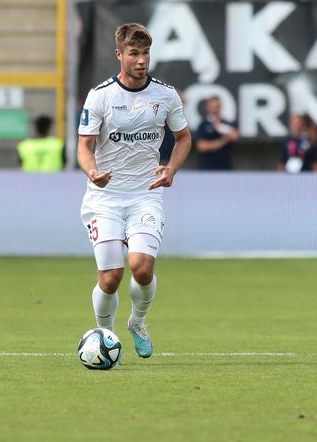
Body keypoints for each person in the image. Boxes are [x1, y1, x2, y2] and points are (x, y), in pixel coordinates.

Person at [77, 23, 191, 359]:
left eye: (145, 54)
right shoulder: (101, 96)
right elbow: (84, 145)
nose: (141, 61)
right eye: (134, 54)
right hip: (105, 199)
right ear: (119, 55)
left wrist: (171, 168)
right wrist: (92, 171)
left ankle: (138, 321)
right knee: (110, 278)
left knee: (141, 267)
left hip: (145, 194)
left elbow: (183, 137)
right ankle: (106, 334)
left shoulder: (165, 95)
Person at [194, 96, 238, 170]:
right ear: (207, 107)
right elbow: (202, 146)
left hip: (225, 167)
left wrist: (221, 128)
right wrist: (223, 140)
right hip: (207, 168)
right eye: (213, 106)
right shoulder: (203, 125)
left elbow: (234, 136)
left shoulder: (226, 124)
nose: (215, 108)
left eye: (217, 106)